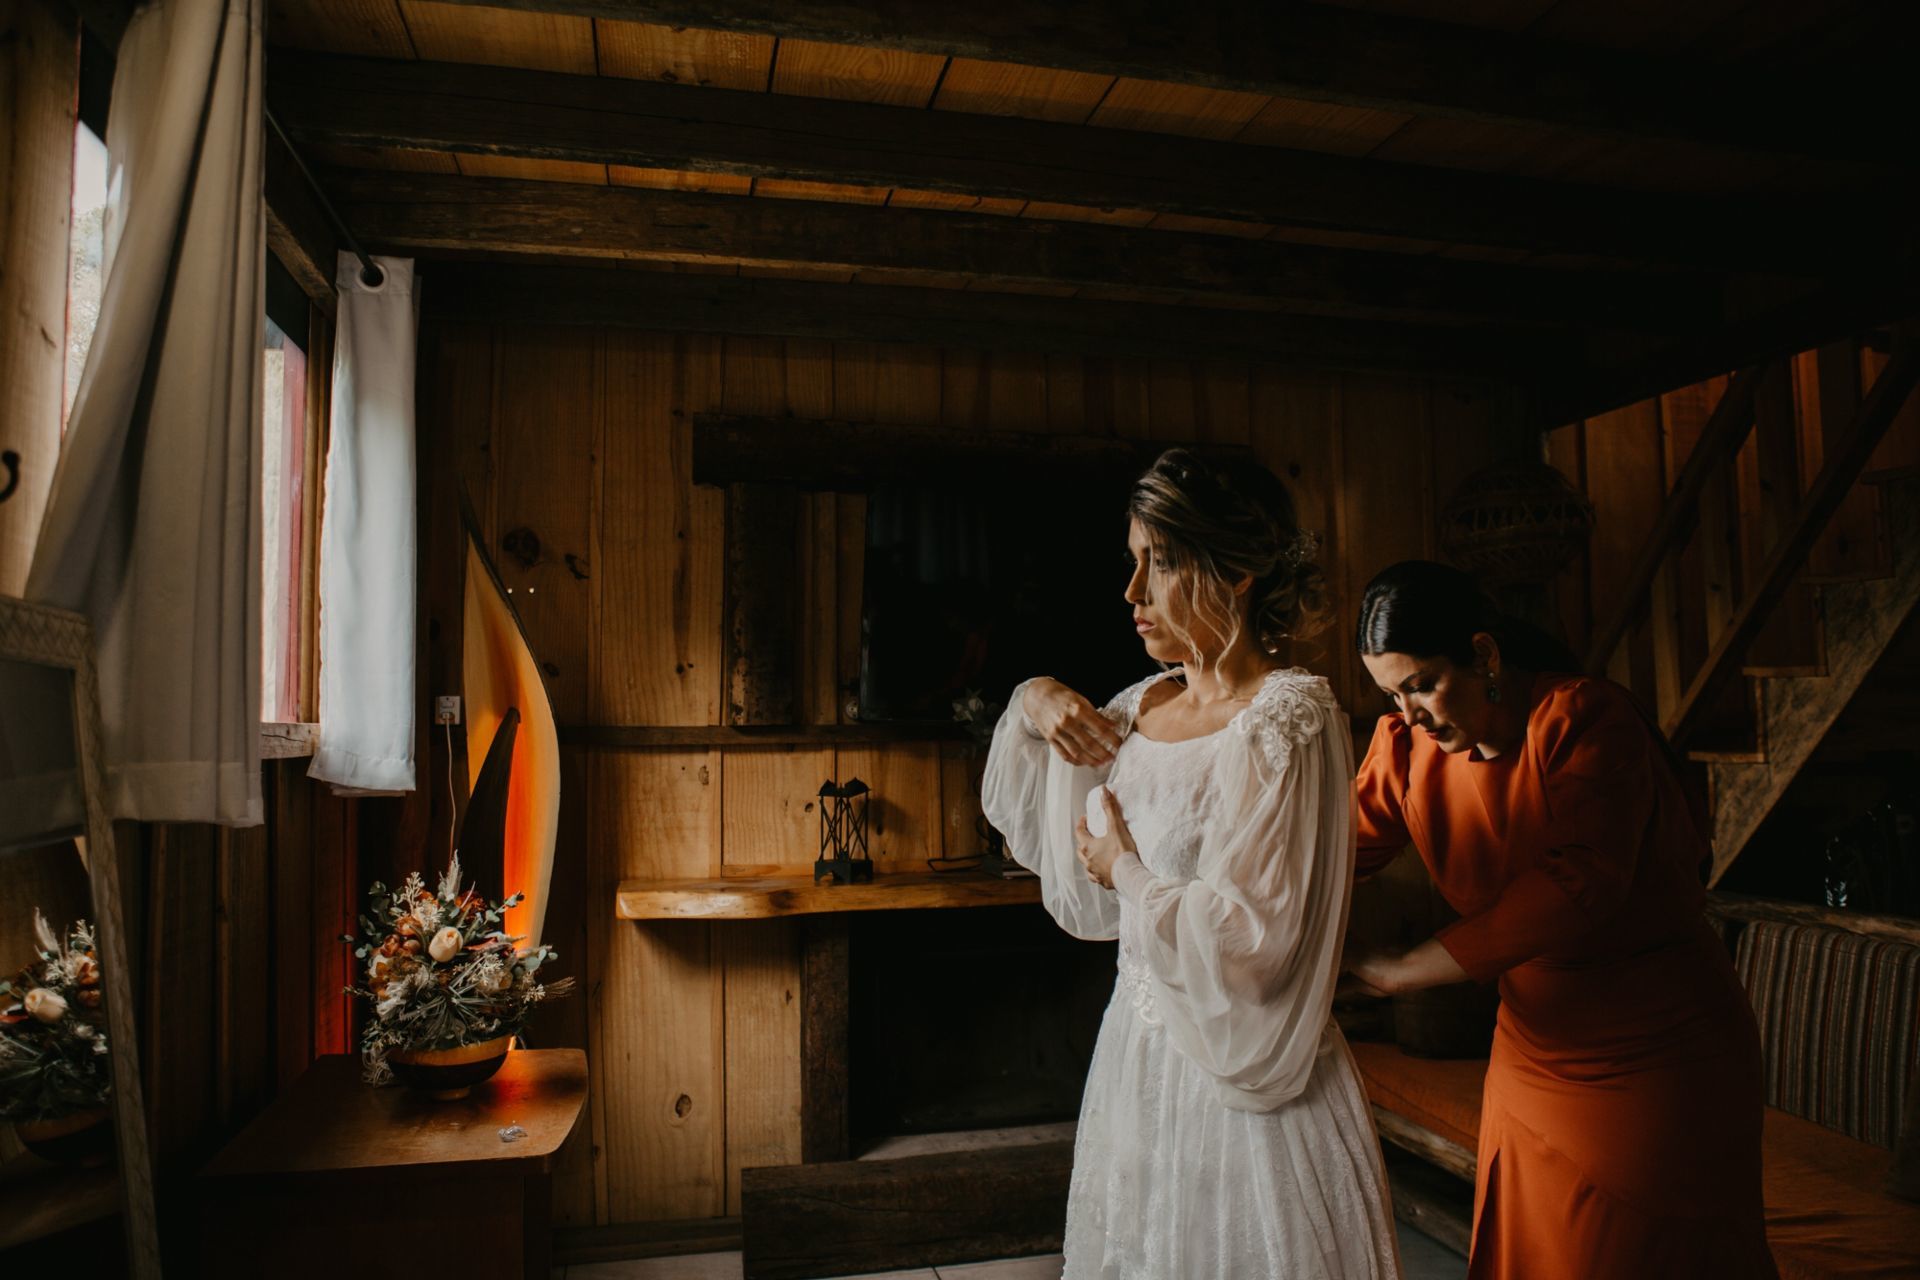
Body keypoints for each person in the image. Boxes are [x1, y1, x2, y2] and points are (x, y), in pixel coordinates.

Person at [982, 449, 1401, 1279]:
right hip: (1137, 1065)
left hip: (1247, 1083)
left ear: (1237, 571)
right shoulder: (1140, 707)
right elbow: (1045, 835)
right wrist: (1034, 696)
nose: (1132, 591)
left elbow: (1258, 938)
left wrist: (1128, 872)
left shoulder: (1290, 720)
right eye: (1133, 560)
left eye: (1162, 563)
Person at [1345, 560, 1776, 1279]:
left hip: (1658, 1055)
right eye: (1391, 692)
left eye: (1421, 684)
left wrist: (1400, 973)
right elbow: (1323, 857)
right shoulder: (1405, 748)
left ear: (1483, 655)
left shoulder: (1583, 719)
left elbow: (1579, 884)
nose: (1409, 713)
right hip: (1533, 1058)